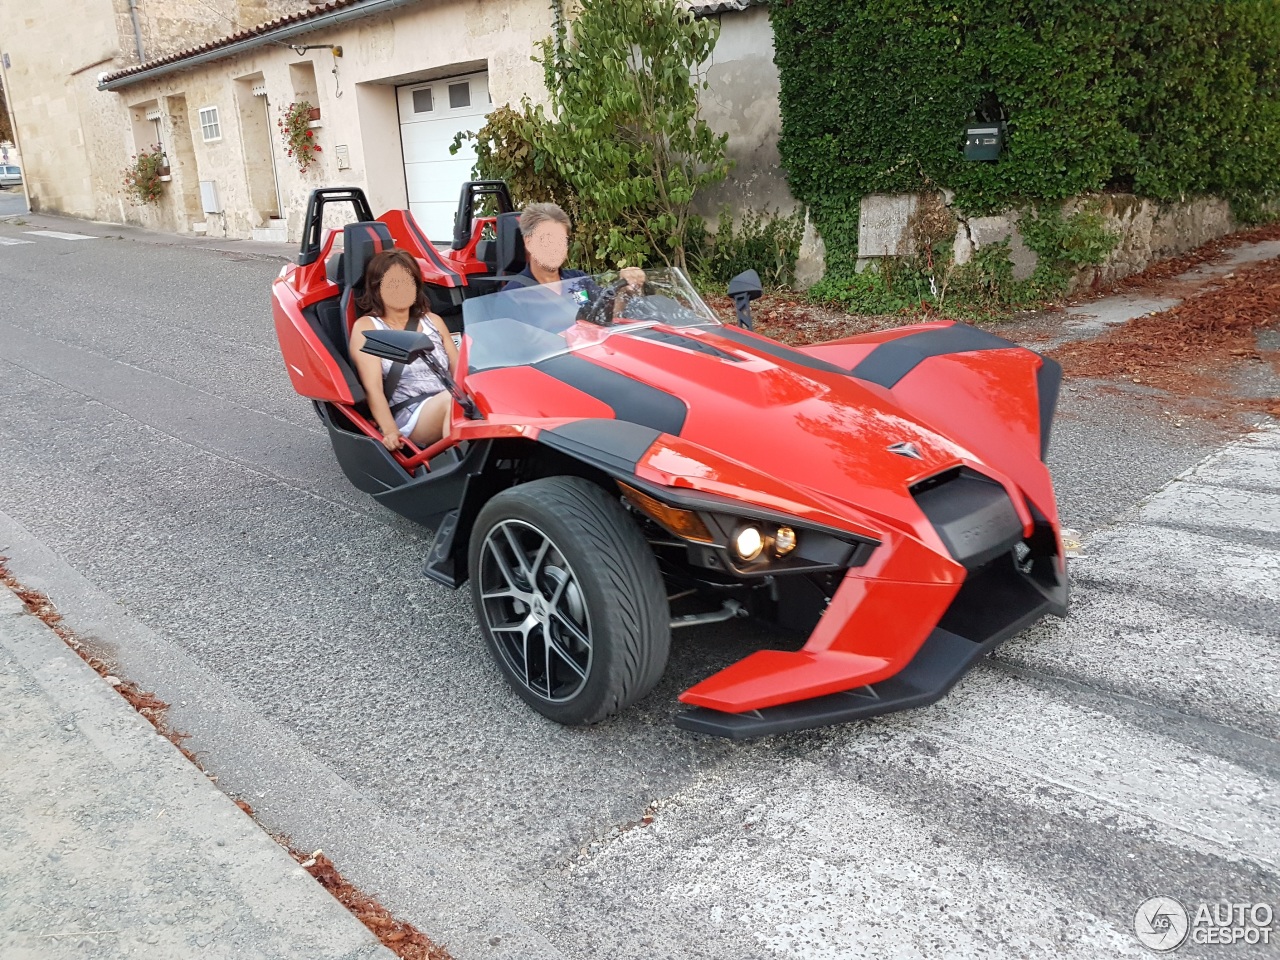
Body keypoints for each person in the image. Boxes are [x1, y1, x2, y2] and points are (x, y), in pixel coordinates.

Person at [349, 249, 459, 452]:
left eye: (408, 282)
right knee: (453, 404)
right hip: (410, 412)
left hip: (449, 398)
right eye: (393, 283)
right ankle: (456, 471)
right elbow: (373, 389)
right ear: (377, 289)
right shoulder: (368, 327)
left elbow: (459, 370)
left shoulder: (433, 321)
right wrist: (390, 430)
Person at [503, 202, 645, 296]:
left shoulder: (578, 280)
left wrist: (626, 290)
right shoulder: (513, 295)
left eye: (561, 240)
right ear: (529, 243)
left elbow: (609, 314)